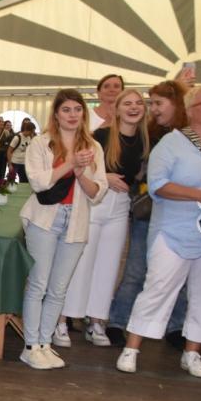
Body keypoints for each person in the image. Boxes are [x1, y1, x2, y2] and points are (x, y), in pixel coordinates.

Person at [116, 84, 201, 377]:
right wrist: (199, 195)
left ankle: (192, 353)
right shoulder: (171, 143)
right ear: (189, 109)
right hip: (172, 230)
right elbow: (158, 185)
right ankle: (132, 348)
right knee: (157, 287)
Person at [18, 90, 107, 370]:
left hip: (76, 222)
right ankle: (30, 345)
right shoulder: (41, 143)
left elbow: (98, 192)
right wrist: (71, 163)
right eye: (66, 109)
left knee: (58, 288)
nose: (72, 115)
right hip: (44, 219)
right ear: (56, 114)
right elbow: (38, 182)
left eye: (77, 109)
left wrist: (80, 174)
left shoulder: (94, 147)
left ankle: (45, 343)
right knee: (38, 284)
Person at [58, 88, 148, 347]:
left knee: (108, 267)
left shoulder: (145, 140)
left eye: (138, 103)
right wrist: (105, 177)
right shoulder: (101, 136)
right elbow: (83, 167)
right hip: (95, 203)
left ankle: (97, 321)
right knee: (81, 264)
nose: (133, 107)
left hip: (121, 207)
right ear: (116, 109)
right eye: (127, 103)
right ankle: (62, 320)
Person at [106, 80, 191, 346]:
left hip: (183, 214)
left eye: (158, 103)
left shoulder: (191, 135)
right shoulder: (149, 134)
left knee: (181, 275)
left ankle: (176, 327)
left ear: (176, 104)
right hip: (147, 211)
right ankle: (118, 321)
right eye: (151, 103)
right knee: (136, 270)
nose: (153, 109)